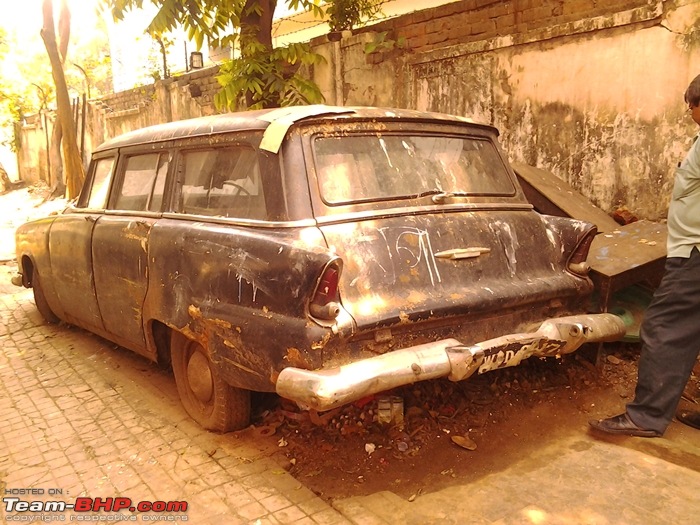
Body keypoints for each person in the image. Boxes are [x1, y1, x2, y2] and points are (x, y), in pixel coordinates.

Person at [589, 74, 700, 438]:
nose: (688, 112)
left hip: (695, 254)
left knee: (665, 328)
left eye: (691, 105)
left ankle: (646, 417)